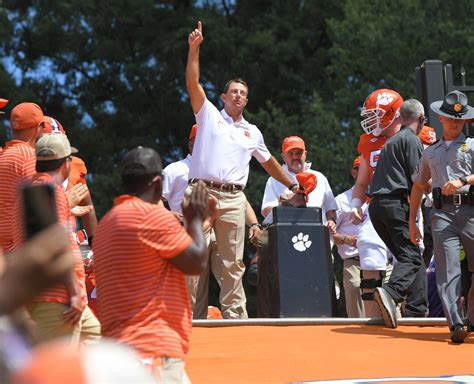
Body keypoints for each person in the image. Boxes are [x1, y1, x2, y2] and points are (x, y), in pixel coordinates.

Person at [186, 21, 296, 319]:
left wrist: (293, 184)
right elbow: (193, 84)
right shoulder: (209, 115)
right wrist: (194, 50)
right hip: (201, 191)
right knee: (194, 258)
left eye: (243, 93)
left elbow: (269, 162)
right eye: (233, 91)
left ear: (247, 100)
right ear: (223, 97)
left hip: (234, 198)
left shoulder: (253, 132)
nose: (238, 96)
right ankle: (190, 318)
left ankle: (235, 318)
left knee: (233, 262)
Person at [93, 146, 211, 381]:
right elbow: (196, 262)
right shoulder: (152, 217)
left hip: (116, 352)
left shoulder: (106, 223)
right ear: (158, 183)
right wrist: (196, 220)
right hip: (152, 350)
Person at [11, 134, 101, 345]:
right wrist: (74, 292)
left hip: (45, 293)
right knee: (59, 366)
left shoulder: (34, 191)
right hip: (59, 296)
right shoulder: (53, 194)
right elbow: (57, 248)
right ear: (66, 163)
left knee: (95, 338)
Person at [409, 90, 474, 343]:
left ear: (465, 120)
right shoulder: (429, 152)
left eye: (460, 118)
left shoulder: (472, 146)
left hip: (470, 211)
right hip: (441, 214)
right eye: (450, 118)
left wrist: (463, 181)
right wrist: (413, 222)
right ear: (441, 118)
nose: (455, 122)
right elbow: (417, 186)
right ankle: (456, 323)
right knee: (447, 270)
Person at [257, 136, 338, 317]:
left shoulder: (320, 177)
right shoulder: (275, 179)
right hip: (284, 242)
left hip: (317, 241)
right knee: (266, 256)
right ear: (283, 157)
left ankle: (327, 315)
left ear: (305, 154)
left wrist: (332, 221)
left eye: (299, 153)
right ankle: (269, 316)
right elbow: (266, 211)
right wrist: (287, 203)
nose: (295, 157)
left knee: (324, 282)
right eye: (291, 153)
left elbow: (331, 208)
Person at [367, 99, 427, 328]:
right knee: (411, 256)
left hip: (377, 207)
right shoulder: (412, 140)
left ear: (401, 118)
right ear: (421, 119)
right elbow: (418, 181)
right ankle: (391, 293)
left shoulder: (391, 141)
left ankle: (417, 311)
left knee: (410, 257)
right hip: (395, 204)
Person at [350, 89, 404, 317]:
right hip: (375, 206)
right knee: (370, 262)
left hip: (406, 206)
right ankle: (372, 320)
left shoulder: (417, 135)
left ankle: (407, 319)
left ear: (393, 113)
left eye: (376, 114)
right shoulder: (368, 142)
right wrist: (355, 203)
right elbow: (362, 182)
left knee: (407, 262)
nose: (370, 120)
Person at [0, 103, 44, 257]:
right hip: (18, 252)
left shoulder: (4, 155)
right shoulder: (29, 157)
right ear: (38, 126)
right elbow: (38, 207)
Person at [333, 156, 365, 318]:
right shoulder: (341, 200)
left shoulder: (381, 196)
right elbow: (329, 231)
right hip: (355, 261)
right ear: (354, 172)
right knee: (354, 290)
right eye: (361, 169)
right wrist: (347, 240)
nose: (367, 172)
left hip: (382, 261)